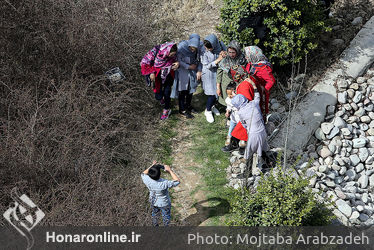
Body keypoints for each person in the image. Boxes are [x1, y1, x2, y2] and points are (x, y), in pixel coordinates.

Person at [231, 89, 269, 174]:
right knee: (261, 147)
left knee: (249, 153)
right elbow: (257, 96)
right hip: (262, 131)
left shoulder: (241, 112)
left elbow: (244, 124)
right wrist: (255, 87)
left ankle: (247, 174)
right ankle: (268, 163)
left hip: (253, 134)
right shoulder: (254, 104)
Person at [140, 42, 180, 120]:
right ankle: (161, 98)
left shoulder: (174, 54)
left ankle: (167, 109)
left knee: (167, 92)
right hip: (156, 75)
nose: (172, 56)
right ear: (167, 51)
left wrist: (177, 63)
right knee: (158, 95)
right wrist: (151, 72)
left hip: (168, 74)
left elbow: (177, 60)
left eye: (173, 55)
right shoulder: (156, 51)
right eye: (171, 55)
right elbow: (144, 62)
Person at [172, 34, 202, 118]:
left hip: (192, 72)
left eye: (194, 49)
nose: (192, 50)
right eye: (191, 48)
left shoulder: (198, 48)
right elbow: (179, 61)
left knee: (190, 90)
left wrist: (197, 69)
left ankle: (188, 106)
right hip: (183, 72)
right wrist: (188, 66)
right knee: (183, 91)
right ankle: (182, 109)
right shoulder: (182, 47)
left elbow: (199, 60)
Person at [141, 161, 180, 226]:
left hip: (153, 201)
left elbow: (143, 173)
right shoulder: (164, 183)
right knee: (166, 217)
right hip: (164, 203)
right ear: (160, 174)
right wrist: (169, 171)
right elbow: (177, 181)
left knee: (155, 215)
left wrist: (152, 165)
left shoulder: (147, 180)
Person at [200, 34, 227, 123]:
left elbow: (226, 51)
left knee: (218, 92)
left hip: (218, 72)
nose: (207, 49)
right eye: (206, 47)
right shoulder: (203, 50)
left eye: (210, 48)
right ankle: (207, 111)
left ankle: (212, 106)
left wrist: (224, 53)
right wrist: (218, 59)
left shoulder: (220, 44)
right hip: (209, 74)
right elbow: (207, 65)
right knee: (212, 94)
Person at [216, 40, 247, 106]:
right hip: (226, 84)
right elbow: (219, 74)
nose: (231, 54)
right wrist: (218, 88)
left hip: (238, 84)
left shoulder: (242, 59)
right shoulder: (225, 60)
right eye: (229, 52)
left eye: (233, 52)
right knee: (228, 101)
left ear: (237, 51)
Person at [221, 82, 240, 152]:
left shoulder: (239, 99)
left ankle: (237, 143)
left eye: (231, 94)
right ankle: (229, 142)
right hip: (233, 117)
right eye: (228, 94)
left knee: (238, 131)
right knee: (230, 130)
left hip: (239, 117)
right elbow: (229, 106)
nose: (229, 96)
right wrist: (227, 111)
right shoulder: (228, 99)